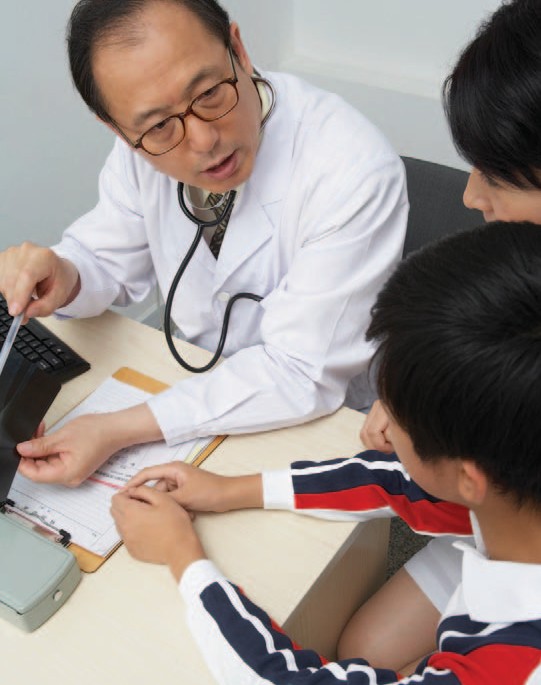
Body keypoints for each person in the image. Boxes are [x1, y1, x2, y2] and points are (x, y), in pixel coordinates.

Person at [111, 221, 541, 683]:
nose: (381, 427)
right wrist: (231, 490)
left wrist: (183, 556)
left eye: (398, 420)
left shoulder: (512, 664)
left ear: (469, 480)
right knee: (366, 646)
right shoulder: (512, 475)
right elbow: (398, 481)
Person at [0, 0, 407, 488]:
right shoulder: (142, 146)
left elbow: (302, 371)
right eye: (158, 127)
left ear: (238, 49)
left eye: (211, 93)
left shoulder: (352, 169)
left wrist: (117, 429)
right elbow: (108, 255)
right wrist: (66, 274)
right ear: (116, 129)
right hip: (192, 392)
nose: (202, 140)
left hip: (319, 421)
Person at [353, 0, 541, 670]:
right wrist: (424, 392)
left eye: (493, 172)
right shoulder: (517, 262)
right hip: (498, 510)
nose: (469, 195)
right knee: (367, 646)